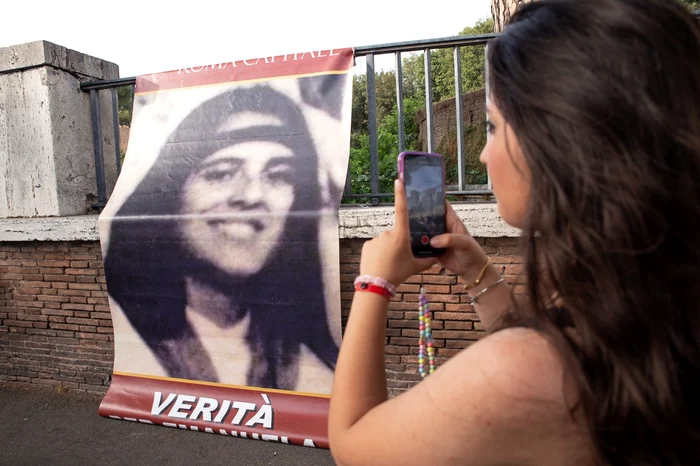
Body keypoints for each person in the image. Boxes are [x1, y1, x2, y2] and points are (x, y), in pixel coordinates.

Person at [328, 0, 700, 464]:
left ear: (556, 142)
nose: (483, 155)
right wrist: (477, 270)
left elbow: (353, 444)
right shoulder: (655, 305)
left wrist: (373, 282)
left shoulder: (532, 374)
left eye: (493, 126)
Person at [103, 83, 339, 392]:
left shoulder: (314, 370)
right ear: (171, 198)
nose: (252, 195)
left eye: (279, 175)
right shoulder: (129, 339)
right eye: (221, 173)